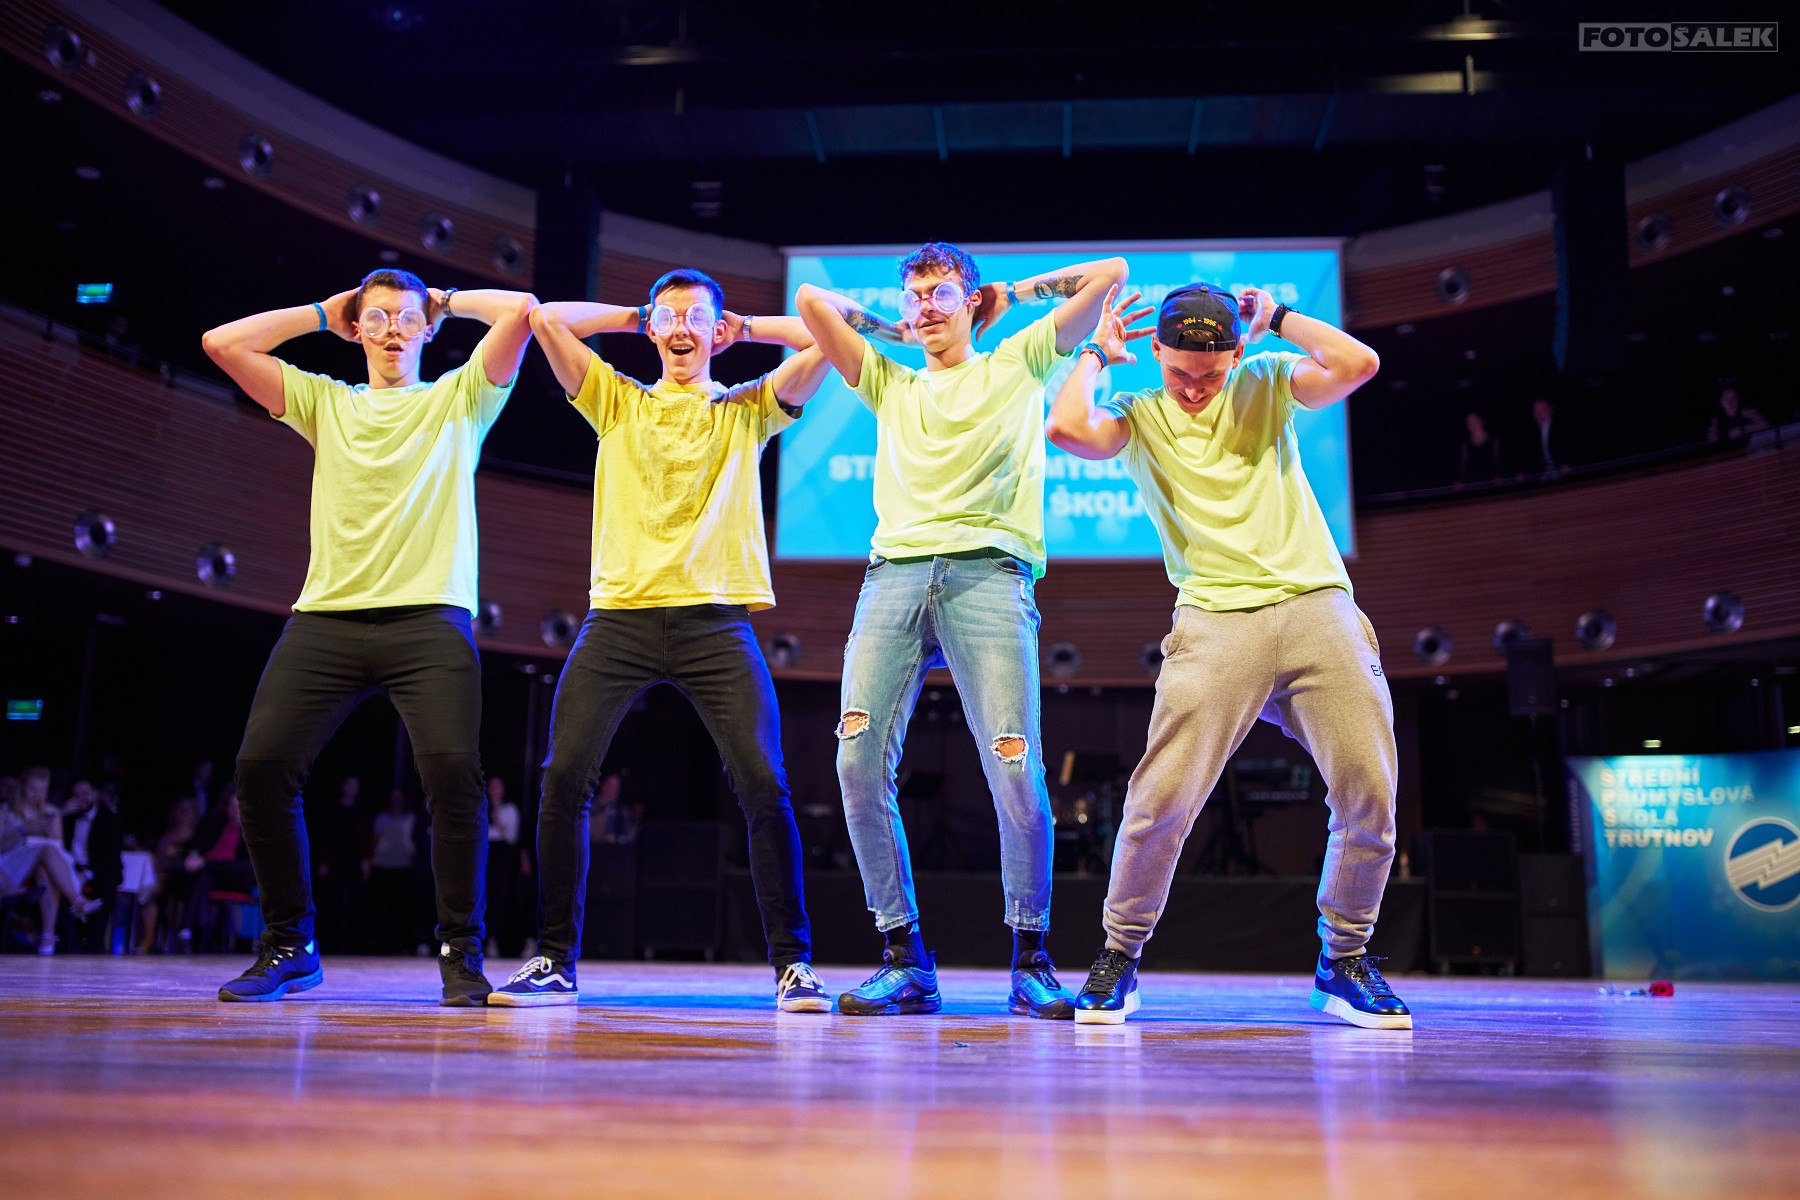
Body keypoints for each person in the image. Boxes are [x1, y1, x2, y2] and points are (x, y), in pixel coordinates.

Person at [1047, 282, 1410, 1029]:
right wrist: (1094, 355)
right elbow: (1066, 428)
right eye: (1178, 371)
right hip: (1214, 621)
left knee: (1370, 791)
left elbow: (1359, 363)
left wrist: (1278, 318)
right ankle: (1119, 955)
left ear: (1237, 354)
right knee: (1161, 800)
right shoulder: (1141, 415)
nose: (1191, 387)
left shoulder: (1267, 382)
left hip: (1315, 606)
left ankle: (1344, 959)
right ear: (1156, 351)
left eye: (1208, 374)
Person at [796, 244, 1125, 1018]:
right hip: (894, 577)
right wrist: (898, 328)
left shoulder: (1017, 360)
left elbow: (1110, 273)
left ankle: (1031, 959)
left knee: (1015, 768)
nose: (927, 307)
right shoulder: (891, 380)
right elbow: (812, 299)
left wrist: (1008, 294)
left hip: (990, 575)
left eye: (942, 293)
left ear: (974, 302)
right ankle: (904, 957)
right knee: (855, 763)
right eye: (915, 296)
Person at [490, 269, 832, 1011]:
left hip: (717, 621)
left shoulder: (745, 408)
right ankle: (554, 959)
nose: (682, 329)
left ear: (717, 333)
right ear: (651, 329)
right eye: (669, 318)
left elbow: (830, 338)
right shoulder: (618, 400)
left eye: (697, 318)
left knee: (764, 784)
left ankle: (793, 965)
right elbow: (544, 318)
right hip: (619, 619)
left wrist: (748, 328)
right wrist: (638, 313)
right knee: (563, 778)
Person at [200, 268, 537, 1002]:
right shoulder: (327, 402)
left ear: (427, 330)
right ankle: (290, 943)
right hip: (327, 618)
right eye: (377, 318)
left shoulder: (459, 399)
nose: (392, 332)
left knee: (454, 782)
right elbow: (221, 344)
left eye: (407, 319)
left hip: (430, 618)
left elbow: (521, 310)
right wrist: (324, 312)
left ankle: (460, 954)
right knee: (260, 771)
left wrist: (443, 302)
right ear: (357, 330)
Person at [2, 776, 103, 953]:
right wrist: (23, 830)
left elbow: (58, 846)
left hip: (40, 862)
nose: (38, 794)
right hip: (11, 864)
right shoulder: (5, 811)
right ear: (22, 788)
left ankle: (48, 936)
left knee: (45, 868)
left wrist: (46, 831)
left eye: (43, 790)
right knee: (47, 852)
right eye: (33, 789)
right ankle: (77, 900)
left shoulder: (51, 811)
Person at [1455, 411, 1501, 486]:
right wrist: (1459, 480)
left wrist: (1498, 475)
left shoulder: (1493, 439)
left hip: (1491, 481)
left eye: (1474, 420)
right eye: (1468, 421)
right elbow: (1464, 463)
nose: (1471, 423)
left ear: (1481, 421)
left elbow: (1497, 459)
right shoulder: (1465, 443)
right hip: (1471, 482)